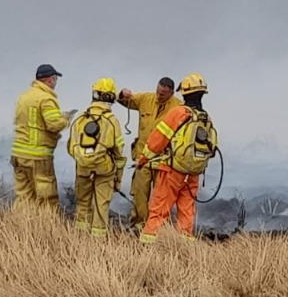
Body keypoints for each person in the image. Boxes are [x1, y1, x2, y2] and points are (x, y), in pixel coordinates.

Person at [137, 73, 219, 244]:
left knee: (159, 210)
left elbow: (158, 140)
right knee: (187, 212)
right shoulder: (206, 118)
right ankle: (185, 248)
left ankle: (147, 245)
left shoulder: (178, 113)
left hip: (172, 171)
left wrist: (143, 159)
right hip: (193, 173)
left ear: (185, 92)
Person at [116, 77, 180, 231]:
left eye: (163, 94)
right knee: (139, 195)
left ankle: (157, 228)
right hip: (142, 158)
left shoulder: (178, 107)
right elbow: (125, 100)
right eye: (158, 92)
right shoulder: (146, 99)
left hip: (163, 160)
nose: (159, 96)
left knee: (160, 198)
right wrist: (122, 93)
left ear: (171, 93)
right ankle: (138, 226)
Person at [67, 77, 127, 237]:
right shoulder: (112, 121)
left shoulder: (80, 119)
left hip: (83, 169)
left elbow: (71, 147)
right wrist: (118, 180)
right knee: (102, 206)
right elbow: (119, 153)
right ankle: (97, 242)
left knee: (82, 203)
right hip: (105, 170)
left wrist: (84, 159)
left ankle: (80, 237)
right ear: (111, 98)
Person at [11, 63, 74, 212]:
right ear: (50, 80)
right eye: (55, 80)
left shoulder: (24, 97)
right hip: (38, 157)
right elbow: (53, 125)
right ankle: (46, 229)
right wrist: (66, 119)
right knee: (47, 198)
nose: (56, 83)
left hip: (19, 155)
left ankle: (19, 228)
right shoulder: (46, 99)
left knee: (24, 197)